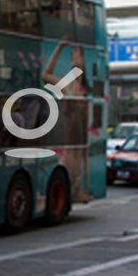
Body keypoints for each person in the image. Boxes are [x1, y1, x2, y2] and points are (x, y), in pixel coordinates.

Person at [42, 33, 90, 203]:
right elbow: (45, 75)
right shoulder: (68, 86)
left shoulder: (87, 92)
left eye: (76, 52)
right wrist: (60, 47)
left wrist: (86, 185)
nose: (74, 57)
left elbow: (85, 147)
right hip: (68, 160)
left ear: (83, 59)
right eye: (72, 54)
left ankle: (79, 190)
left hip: (77, 158)